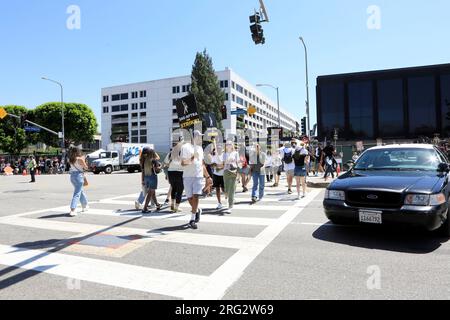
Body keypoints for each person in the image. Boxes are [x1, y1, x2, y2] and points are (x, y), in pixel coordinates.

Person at [181, 130, 211, 230]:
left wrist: (207, 177)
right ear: (194, 137)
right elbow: (183, 163)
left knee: (196, 196)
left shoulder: (200, 148)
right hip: (187, 176)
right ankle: (197, 210)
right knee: (190, 198)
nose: (201, 138)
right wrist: (192, 157)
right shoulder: (185, 147)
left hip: (198, 176)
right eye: (199, 136)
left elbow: (202, 164)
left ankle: (192, 219)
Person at [68, 147, 89, 217]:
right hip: (79, 176)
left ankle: (85, 205)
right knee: (77, 193)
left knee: (80, 191)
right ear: (78, 152)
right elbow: (86, 168)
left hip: (72, 176)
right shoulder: (79, 159)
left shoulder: (71, 159)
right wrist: (84, 161)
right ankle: (72, 209)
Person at [141, 148, 161, 214]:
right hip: (152, 177)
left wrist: (142, 180)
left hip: (146, 177)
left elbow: (143, 171)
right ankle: (145, 208)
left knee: (153, 193)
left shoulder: (144, 160)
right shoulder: (153, 160)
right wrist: (161, 167)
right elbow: (158, 169)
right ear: (152, 153)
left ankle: (157, 205)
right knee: (150, 193)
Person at [166, 141, 185, 213]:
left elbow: (166, 164)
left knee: (173, 188)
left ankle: (172, 204)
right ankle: (176, 207)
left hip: (171, 172)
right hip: (180, 172)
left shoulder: (170, 153)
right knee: (180, 190)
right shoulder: (182, 153)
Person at [223, 141, 240, 214]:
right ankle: (229, 198)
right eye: (227, 144)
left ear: (232, 145)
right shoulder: (224, 153)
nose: (228, 145)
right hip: (226, 171)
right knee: (226, 189)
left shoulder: (235, 153)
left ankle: (230, 206)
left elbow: (238, 163)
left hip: (233, 171)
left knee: (232, 189)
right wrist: (227, 161)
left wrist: (238, 173)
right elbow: (223, 162)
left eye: (230, 144)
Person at [210, 143, 225, 210]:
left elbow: (225, 164)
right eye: (217, 148)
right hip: (216, 175)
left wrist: (221, 167)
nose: (219, 149)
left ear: (222, 149)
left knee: (224, 189)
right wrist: (216, 166)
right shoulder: (214, 156)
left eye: (220, 148)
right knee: (217, 189)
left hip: (223, 175)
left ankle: (228, 198)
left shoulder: (224, 155)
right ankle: (219, 203)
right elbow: (212, 165)